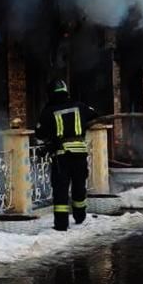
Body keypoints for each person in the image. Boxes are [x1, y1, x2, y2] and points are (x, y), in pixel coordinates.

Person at [35, 78, 98, 231]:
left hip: (61, 156)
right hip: (80, 154)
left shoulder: (48, 111)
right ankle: (80, 215)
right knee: (79, 187)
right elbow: (94, 114)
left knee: (61, 190)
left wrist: (51, 137)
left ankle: (61, 224)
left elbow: (40, 133)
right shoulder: (79, 106)